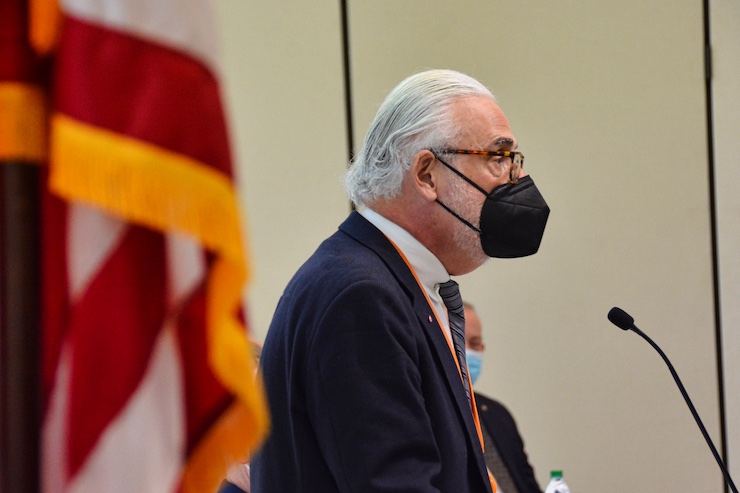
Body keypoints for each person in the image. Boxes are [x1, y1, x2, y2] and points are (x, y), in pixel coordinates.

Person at [250, 69, 550, 493]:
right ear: (427, 174)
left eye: (514, 159)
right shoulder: (360, 296)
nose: (515, 178)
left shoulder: (392, 280)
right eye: (498, 157)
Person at [464, 301, 543, 493]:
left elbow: (528, 484)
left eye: (474, 343)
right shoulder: (425, 415)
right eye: (456, 339)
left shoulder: (497, 414)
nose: (465, 350)